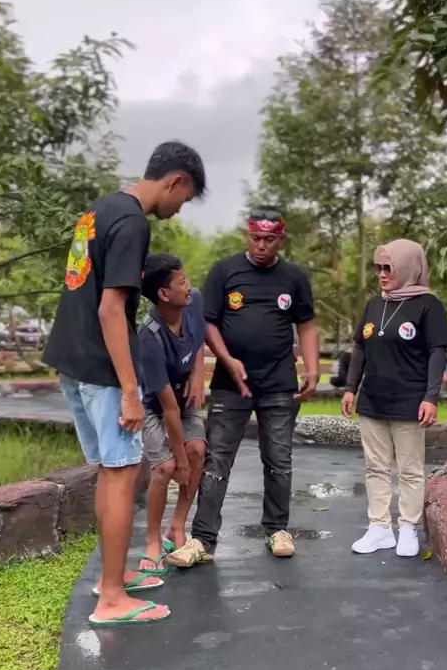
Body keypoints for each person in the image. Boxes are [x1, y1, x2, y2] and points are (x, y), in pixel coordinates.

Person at [44, 141, 206, 627]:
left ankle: (111, 578)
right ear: (174, 181)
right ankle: (112, 598)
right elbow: (111, 309)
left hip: (73, 359)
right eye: (184, 198)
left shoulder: (99, 210)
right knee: (121, 473)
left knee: (110, 472)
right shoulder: (133, 222)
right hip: (103, 367)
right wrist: (131, 391)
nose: (178, 209)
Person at [168, 206, 320, 567]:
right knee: (217, 459)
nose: (262, 245)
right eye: (255, 238)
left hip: (279, 383)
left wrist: (312, 368)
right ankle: (203, 539)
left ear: (281, 240)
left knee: (279, 458)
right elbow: (208, 323)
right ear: (246, 236)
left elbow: (307, 324)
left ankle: (277, 529)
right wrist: (228, 359)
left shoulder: (294, 277)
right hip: (230, 384)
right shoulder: (225, 271)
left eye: (269, 239)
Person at [341, 239, 447, 558]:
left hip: (409, 401)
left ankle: (408, 528)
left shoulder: (428, 305)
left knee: (410, 469)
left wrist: (431, 396)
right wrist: (350, 388)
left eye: (388, 267)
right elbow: (360, 348)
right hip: (373, 400)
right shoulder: (375, 304)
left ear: (407, 267)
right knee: (375, 467)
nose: (382, 274)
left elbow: (437, 352)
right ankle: (379, 528)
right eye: (378, 267)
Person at [137, 253, 206, 576]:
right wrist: (180, 462)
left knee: (198, 450)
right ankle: (152, 540)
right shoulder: (149, 337)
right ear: (164, 294)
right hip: (154, 406)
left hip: (183, 395)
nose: (188, 287)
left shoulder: (194, 302)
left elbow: (199, 338)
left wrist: (197, 374)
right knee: (165, 468)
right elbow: (168, 410)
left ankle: (177, 525)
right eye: (182, 282)